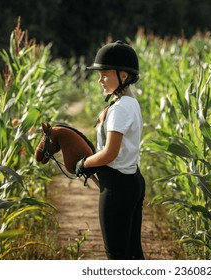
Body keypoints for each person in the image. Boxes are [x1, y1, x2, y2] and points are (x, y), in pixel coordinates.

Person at [75, 40, 146, 260]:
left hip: (117, 188)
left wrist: (84, 164)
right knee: (133, 252)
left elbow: (109, 153)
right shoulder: (130, 103)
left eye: (105, 74)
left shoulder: (120, 109)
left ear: (123, 76)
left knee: (116, 255)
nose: (100, 80)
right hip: (133, 180)